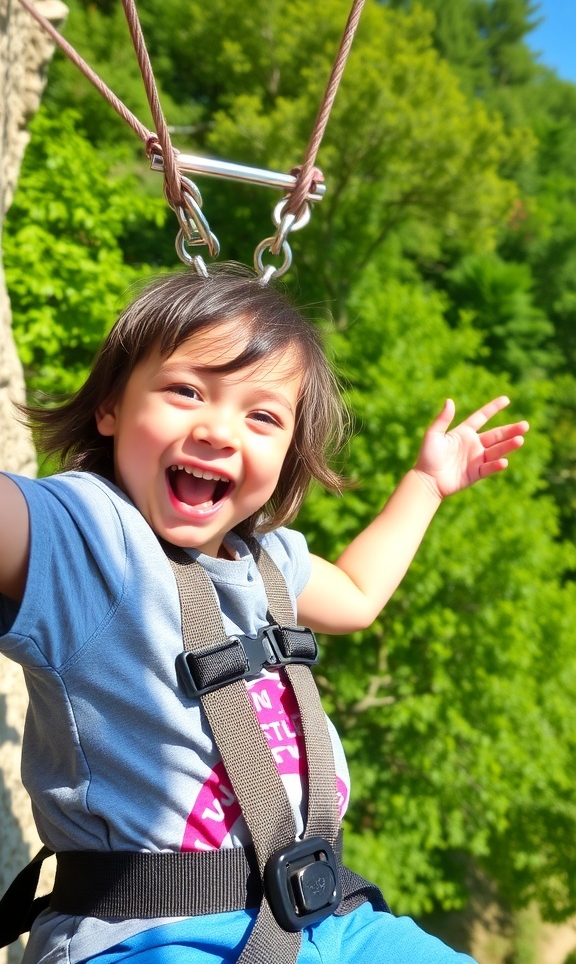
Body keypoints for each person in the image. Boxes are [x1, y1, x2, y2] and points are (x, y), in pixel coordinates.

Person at [0, 266, 528, 964]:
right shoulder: (91, 537)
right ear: (111, 409)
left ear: (287, 455)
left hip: (331, 921)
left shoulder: (268, 561)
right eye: (186, 391)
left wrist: (426, 484)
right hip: (153, 931)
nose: (218, 430)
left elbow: (360, 596)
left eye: (262, 416)